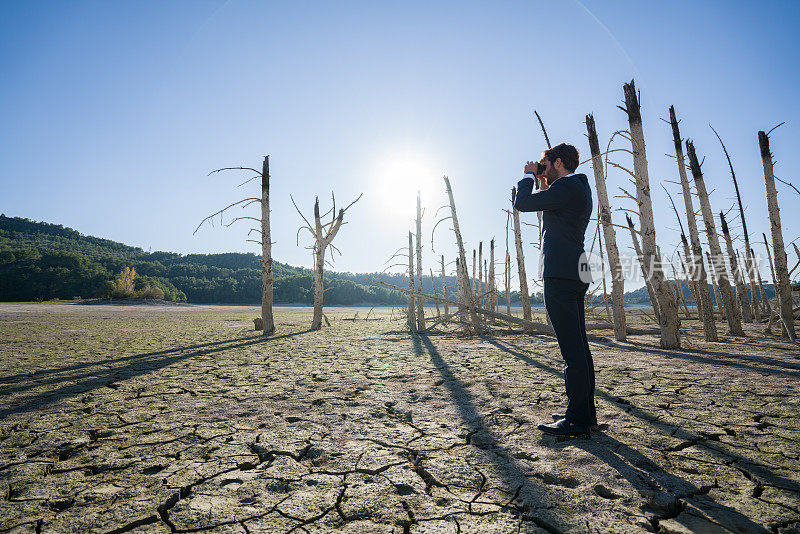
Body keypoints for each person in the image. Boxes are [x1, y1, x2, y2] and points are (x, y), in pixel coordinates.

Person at [513, 142, 596, 437]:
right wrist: (543, 178)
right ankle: (584, 413)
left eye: (545, 165)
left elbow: (522, 204)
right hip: (578, 269)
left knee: (572, 351)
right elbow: (548, 201)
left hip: (561, 272)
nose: (541, 171)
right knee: (580, 348)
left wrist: (527, 177)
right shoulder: (578, 188)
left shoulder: (566, 188)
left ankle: (577, 420)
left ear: (558, 162)